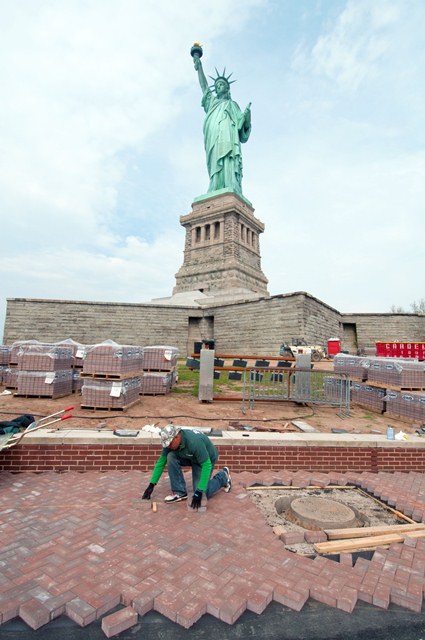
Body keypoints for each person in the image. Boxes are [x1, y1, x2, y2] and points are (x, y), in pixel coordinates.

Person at [193, 55, 252, 196]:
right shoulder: (212, 103)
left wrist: (247, 117)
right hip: (214, 137)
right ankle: (215, 185)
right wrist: (199, 66)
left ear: (227, 88)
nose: (219, 87)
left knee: (229, 159)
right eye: (217, 85)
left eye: (222, 85)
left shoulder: (233, 105)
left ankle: (231, 184)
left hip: (230, 138)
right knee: (215, 161)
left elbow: (241, 128)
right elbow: (204, 86)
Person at [141, 425, 231, 510]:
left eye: (170, 444)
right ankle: (179, 492)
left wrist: (199, 491)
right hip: (190, 456)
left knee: (203, 493)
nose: (168, 446)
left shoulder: (194, 442)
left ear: (177, 437)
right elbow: (161, 462)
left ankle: (223, 476)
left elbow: (206, 465)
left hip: (205, 460)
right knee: (171, 456)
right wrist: (152, 484)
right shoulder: (170, 443)